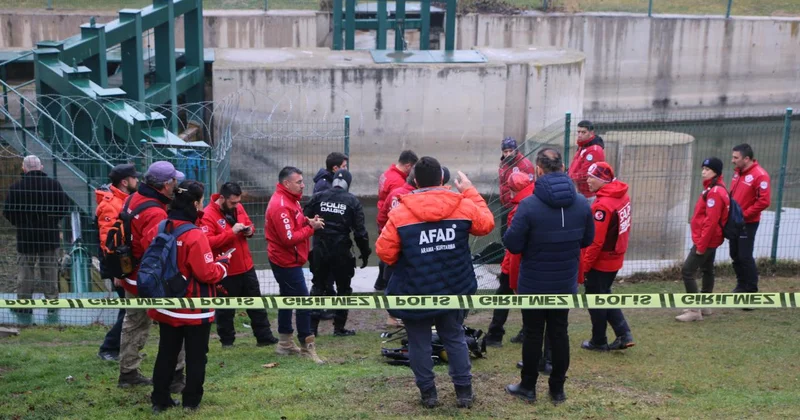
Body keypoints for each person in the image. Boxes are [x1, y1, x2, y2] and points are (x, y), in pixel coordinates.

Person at [376, 157, 494, 409]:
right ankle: (464, 393)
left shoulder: (400, 213)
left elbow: (385, 253)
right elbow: (486, 224)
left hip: (414, 290)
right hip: (454, 288)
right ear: (441, 179)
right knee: (454, 337)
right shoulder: (463, 205)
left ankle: (428, 394)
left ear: (416, 182)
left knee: (418, 342)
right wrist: (470, 191)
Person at [503, 148, 594, 405]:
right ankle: (557, 389)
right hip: (564, 282)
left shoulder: (529, 205)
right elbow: (587, 239)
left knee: (534, 334)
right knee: (559, 333)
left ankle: (529, 386)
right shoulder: (581, 203)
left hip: (534, 283)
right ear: (563, 167)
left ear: (538, 170)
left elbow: (512, 243)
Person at [144, 180, 230, 413]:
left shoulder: (160, 227)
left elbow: (147, 251)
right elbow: (207, 273)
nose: (202, 206)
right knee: (196, 356)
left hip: (166, 303)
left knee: (166, 353)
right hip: (195, 306)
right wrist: (223, 265)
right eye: (201, 201)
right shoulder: (195, 235)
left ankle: (160, 400)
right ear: (194, 204)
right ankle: (191, 402)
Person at [117, 161, 185, 389]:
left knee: (133, 323)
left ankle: (128, 373)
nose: (176, 185)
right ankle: (175, 375)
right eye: (174, 181)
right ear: (166, 185)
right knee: (175, 321)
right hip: (150, 279)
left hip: (131, 274)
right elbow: (155, 250)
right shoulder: (156, 212)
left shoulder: (132, 198)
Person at [201, 182, 278, 348]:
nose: (236, 205)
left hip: (246, 267)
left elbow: (249, 223)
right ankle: (227, 341)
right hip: (225, 271)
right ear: (222, 198)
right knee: (225, 310)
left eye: (238, 202)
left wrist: (249, 230)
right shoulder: (207, 215)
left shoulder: (238, 207)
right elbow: (207, 242)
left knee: (256, 304)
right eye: (233, 202)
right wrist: (231, 232)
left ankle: (264, 337)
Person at [265, 166, 325, 364]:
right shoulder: (281, 205)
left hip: (289, 259)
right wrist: (312, 229)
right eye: (299, 182)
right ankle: (307, 346)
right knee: (303, 301)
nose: (303, 185)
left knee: (287, 299)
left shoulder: (291, 200)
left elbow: (294, 223)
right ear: (286, 183)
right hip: (285, 261)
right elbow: (288, 238)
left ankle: (285, 344)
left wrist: (307, 221)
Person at [2, 155, 70, 324]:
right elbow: (63, 207)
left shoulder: (16, 188)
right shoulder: (53, 185)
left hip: (26, 236)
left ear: (23, 168)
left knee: (26, 271)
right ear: (41, 167)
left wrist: (21, 223)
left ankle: (24, 304)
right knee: (50, 270)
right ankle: (52, 302)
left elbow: (8, 212)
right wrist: (51, 221)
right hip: (49, 235)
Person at [304, 169, 371, 336]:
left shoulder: (318, 197)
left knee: (318, 286)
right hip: (341, 251)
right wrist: (365, 253)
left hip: (320, 248)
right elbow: (360, 233)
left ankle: (312, 329)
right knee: (343, 289)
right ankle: (339, 328)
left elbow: (303, 220)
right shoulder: (352, 201)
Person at [580, 162, 635, 351]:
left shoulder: (603, 205)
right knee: (604, 295)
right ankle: (624, 334)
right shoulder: (621, 195)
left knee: (596, 299)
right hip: (615, 257)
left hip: (601, 261)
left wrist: (585, 266)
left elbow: (596, 241)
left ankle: (599, 340)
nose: (587, 180)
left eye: (591, 177)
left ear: (603, 180)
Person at [96, 163, 141, 361]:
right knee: (130, 309)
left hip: (126, 264)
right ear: (124, 182)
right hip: (119, 266)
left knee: (130, 308)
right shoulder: (110, 204)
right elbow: (108, 243)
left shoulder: (126, 200)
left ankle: (121, 348)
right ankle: (109, 348)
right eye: (134, 177)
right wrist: (117, 273)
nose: (137, 180)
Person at [676, 157, 729, 322]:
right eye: (703, 169)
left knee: (687, 271)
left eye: (707, 169)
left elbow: (711, 222)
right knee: (707, 269)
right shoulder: (713, 188)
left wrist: (701, 245)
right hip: (710, 239)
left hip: (707, 240)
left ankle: (694, 310)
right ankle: (704, 304)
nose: (703, 172)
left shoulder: (715, 192)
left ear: (716, 172)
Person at [486, 172, 534, 347]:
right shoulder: (534, 202)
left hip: (515, 261)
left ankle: (495, 335)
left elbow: (514, 242)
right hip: (530, 262)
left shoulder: (518, 210)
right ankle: (526, 331)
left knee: (502, 296)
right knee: (528, 299)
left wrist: (509, 270)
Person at [374, 150, 418, 292]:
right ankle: (386, 285)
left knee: (384, 255)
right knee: (392, 259)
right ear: (408, 166)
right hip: (392, 224)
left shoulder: (387, 174)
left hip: (384, 217)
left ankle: (380, 284)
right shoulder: (398, 183)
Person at [730, 144, 770, 294]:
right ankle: (741, 286)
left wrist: (744, 215)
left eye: (736, 157)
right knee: (735, 254)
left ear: (746, 159)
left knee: (744, 256)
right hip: (734, 222)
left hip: (748, 223)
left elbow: (764, 201)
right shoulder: (737, 173)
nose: (733, 160)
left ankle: (751, 290)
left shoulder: (760, 175)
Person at [498, 137, 535, 236]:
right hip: (505, 203)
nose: (508, 154)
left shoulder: (525, 165)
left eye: (511, 151)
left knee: (515, 233)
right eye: (505, 151)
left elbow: (531, 187)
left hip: (517, 206)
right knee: (504, 232)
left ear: (516, 150)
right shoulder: (503, 163)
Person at [567, 120, 605, 201]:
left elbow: (586, 173)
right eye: (578, 132)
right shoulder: (582, 146)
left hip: (589, 194)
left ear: (591, 133)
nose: (580, 135)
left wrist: (569, 177)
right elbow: (575, 165)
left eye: (583, 132)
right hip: (581, 191)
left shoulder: (594, 150)